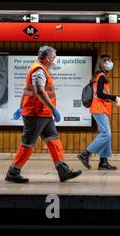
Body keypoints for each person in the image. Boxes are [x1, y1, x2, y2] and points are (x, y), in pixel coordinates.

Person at [5, 46, 82, 183]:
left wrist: (21, 106)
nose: (55, 60)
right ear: (48, 58)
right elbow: (39, 91)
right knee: (28, 144)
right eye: (54, 57)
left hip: (43, 114)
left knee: (53, 139)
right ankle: (13, 172)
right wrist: (53, 109)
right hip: (36, 113)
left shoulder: (42, 70)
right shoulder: (39, 71)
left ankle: (63, 171)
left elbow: (26, 90)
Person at [77, 55, 120, 170]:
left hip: (101, 109)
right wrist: (115, 98)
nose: (109, 63)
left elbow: (101, 94)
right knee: (106, 134)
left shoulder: (99, 76)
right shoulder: (101, 76)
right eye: (107, 61)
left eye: (110, 60)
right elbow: (99, 94)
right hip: (99, 108)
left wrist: (112, 99)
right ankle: (86, 153)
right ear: (101, 63)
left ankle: (103, 162)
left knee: (107, 134)